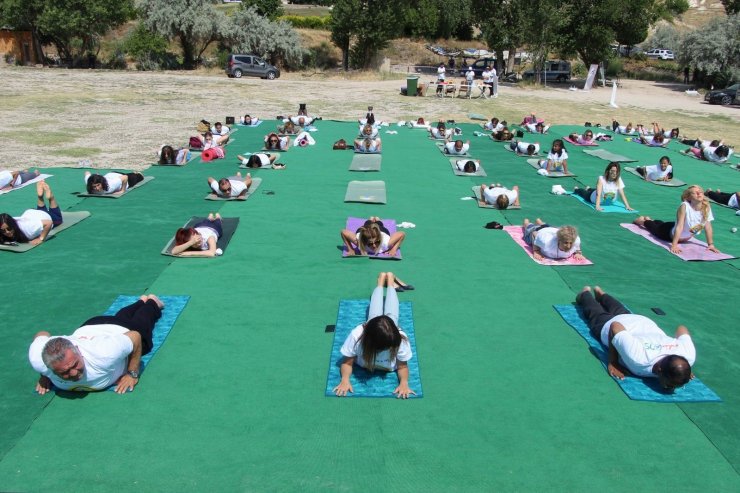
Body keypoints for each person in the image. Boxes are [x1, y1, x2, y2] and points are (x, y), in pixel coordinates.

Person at [28, 294, 164, 394]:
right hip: (92, 326)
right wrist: (44, 375)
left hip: (120, 329)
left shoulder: (104, 354)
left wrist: (132, 374)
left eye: (75, 364)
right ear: (48, 367)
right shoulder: (38, 361)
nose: (74, 373)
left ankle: (151, 302)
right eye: (64, 372)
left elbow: (135, 336)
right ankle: (140, 301)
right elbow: (41, 334)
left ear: (77, 350)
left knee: (143, 326)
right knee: (118, 317)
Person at [575, 286, 695, 390]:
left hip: (642, 322)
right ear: (659, 370)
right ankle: (585, 294)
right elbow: (615, 326)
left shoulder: (688, 356)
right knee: (597, 313)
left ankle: (601, 293)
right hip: (615, 326)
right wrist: (613, 361)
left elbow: (682, 328)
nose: (672, 388)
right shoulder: (638, 359)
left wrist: (684, 371)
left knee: (619, 310)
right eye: (670, 385)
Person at [333, 272, 415, 399]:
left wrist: (404, 383)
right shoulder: (357, 335)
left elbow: (402, 366)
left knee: (392, 314)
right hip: (373, 325)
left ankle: (390, 283)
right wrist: (344, 380)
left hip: (387, 324)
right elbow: (347, 362)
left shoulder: (399, 339)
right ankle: (381, 281)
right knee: (374, 314)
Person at [632, 185, 720, 254]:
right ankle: (643, 220)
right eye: (695, 193)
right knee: (651, 226)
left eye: (700, 192)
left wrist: (711, 245)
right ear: (689, 197)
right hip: (667, 233)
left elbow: (708, 227)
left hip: (675, 228)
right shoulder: (685, 206)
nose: (699, 194)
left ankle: (650, 219)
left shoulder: (706, 207)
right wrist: (674, 245)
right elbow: (680, 225)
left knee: (660, 223)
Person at [0, 181, 63, 246]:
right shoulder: (8, 223)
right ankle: (40, 196)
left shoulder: (28, 229)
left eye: (9, 229)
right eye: (3, 231)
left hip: (44, 216)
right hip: (32, 213)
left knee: (58, 220)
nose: (7, 232)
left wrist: (41, 239)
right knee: (41, 212)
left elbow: (49, 223)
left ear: (13, 225)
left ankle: (51, 198)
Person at [341, 217, 405, 257]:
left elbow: (402, 234)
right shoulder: (360, 242)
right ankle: (370, 219)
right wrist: (350, 249)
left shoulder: (385, 243)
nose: (374, 246)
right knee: (367, 224)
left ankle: (377, 219)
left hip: (382, 230)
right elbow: (343, 232)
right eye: (370, 243)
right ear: (365, 242)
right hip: (363, 232)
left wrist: (393, 249)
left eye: (377, 242)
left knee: (379, 224)